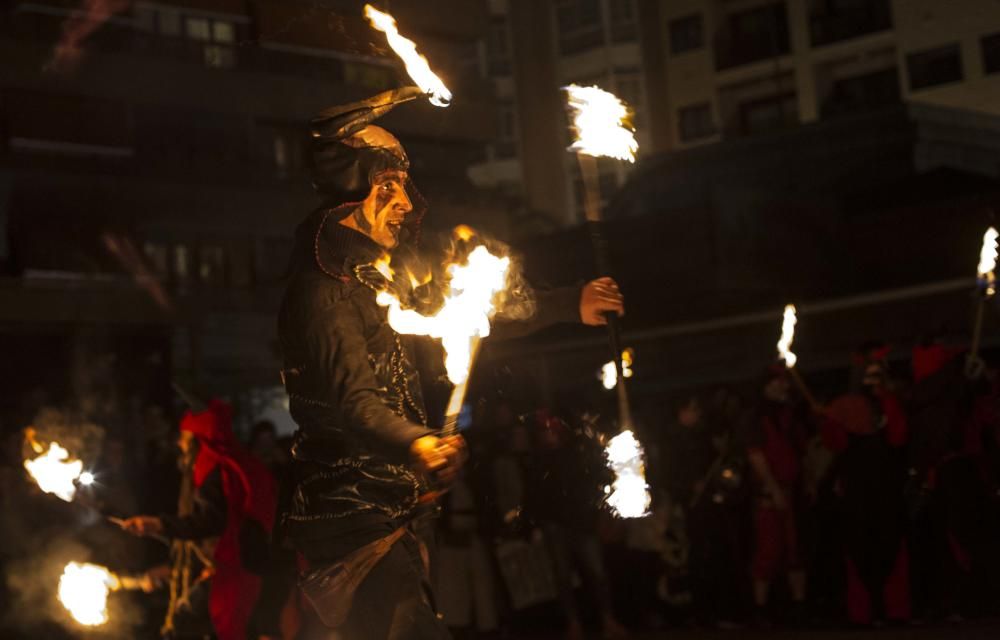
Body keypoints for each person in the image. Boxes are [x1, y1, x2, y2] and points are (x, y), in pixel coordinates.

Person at [276, 88, 625, 640]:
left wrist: (567, 304)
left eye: (403, 188)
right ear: (351, 193)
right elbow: (354, 401)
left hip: (398, 503)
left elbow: (472, 307)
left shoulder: (387, 276)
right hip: (351, 512)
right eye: (386, 187)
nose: (406, 203)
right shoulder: (326, 289)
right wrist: (416, 442)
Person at [121, 399, 277, 640]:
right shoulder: (233, 462)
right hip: (237, 565)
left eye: (184, 436)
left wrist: (158, 524)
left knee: (184, 625)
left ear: (196, 438)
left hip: (228, 566)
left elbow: (210, 522)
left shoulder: (212, 466)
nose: (179, 443)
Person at [823, 345, 910, 625]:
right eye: (869, 373)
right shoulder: (845, 405)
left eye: (878, 373)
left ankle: (896, 611)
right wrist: (830, 423)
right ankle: (862, 613)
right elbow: (834, 444)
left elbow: (897, 438)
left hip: (886, 484)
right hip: (857, 487)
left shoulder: (890, 399)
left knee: (892, 544)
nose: (874, 379)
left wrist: (887, 401)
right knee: (859, 547)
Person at [743, 367, 809, 625]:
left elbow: (801, 453)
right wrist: (772, 489)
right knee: (768, 550)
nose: (782, 386)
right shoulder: (757, 416)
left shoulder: (792, 414)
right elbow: (756, 455)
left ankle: (799, 607)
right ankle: (760, 610)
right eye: (776, 382)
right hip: (769, 493)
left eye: (784, 382)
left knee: (797, 549)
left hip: (794, 490)